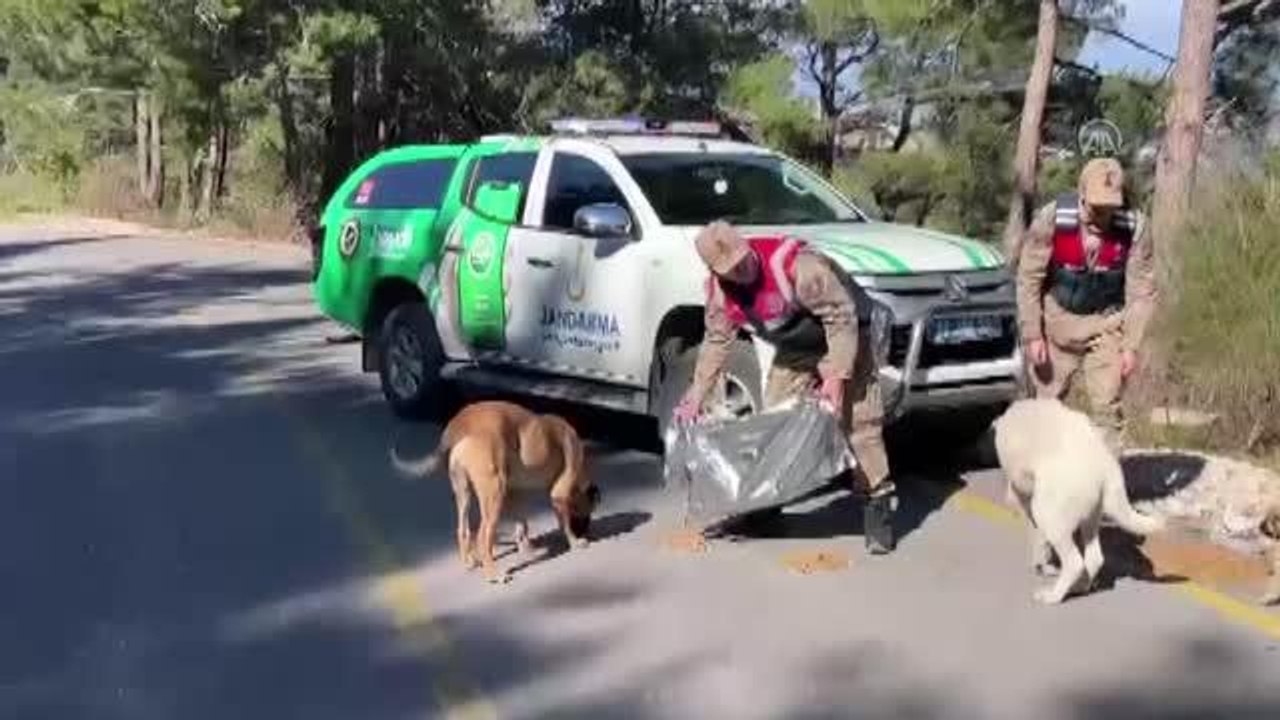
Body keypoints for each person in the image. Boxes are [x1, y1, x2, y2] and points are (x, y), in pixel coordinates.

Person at [672, 221, 896, 554]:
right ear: (716, 272)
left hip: (850, 334)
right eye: (732, 269)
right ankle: (767, 501)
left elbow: (841, 316)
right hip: (800, 344)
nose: (742, 269)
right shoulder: (720, 294)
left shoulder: (797, 266)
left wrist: (836, 377)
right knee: (777, 421)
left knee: (859, 421)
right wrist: (695, 397)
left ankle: (877, 502)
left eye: (744, 259)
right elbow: (717, 341)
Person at [1015, 157, 1157, 452]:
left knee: (1107, 405)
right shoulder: (1052, 219)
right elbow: (1029, 278)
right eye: (1095, 206)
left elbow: (1141, 292)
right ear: (1081, 194)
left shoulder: (1135, 228)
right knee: (1046, 406)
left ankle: (1103, 484)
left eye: (1110, 207)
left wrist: (1131, 345)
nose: (1102, 215)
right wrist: (1032, 334)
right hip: (1058, 322)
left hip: (1106, 324)